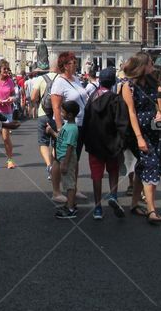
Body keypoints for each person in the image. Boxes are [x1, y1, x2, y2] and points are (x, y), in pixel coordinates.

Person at [121, 52, 161, 224]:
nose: (153, 66)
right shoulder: (128, 86)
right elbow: (131, 113)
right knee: (151, 165)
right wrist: (139, 138)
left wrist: (159, 115)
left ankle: (134, 204)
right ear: (142, 66)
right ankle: (151, 209)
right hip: (137, 131)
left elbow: (159, 106)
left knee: (143, 166)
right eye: (150, 63)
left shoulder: (152, 83)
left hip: (154, 129)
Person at [80, 68, 126, 219]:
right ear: (113, 82)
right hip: (112, 143)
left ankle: (98, 207)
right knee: (113, 171)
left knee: (96, 176)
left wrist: (85, 140)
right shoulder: (116, 99)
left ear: (100, 81)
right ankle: (113, 195)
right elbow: (121, 123)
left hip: (94, 143)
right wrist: (122, 142)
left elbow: (85, 122)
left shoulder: (92, 98)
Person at [49, 52, 88, 204]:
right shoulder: (59, 82)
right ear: (65, 65)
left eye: (75, 62)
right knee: (60, 159)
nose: (76, 64)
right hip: (66, 126)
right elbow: (56, 108)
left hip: (80, 124)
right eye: (73, 62)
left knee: (75, 158)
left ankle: (74, 188)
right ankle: (56, 191)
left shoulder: (76, 79)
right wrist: (60, 130)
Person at [54, 101, 81, 219]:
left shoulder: (72, 128)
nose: (61, 113)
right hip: (63, 157)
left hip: (67, 158)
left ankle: (70, 209)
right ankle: (70, 203)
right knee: (68, 182)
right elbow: (61, 138)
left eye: (63, 112)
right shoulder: (67, 126)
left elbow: (70, 147)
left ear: (70, 115)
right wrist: (51, 132)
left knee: (69, 183)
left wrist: (65, 163)